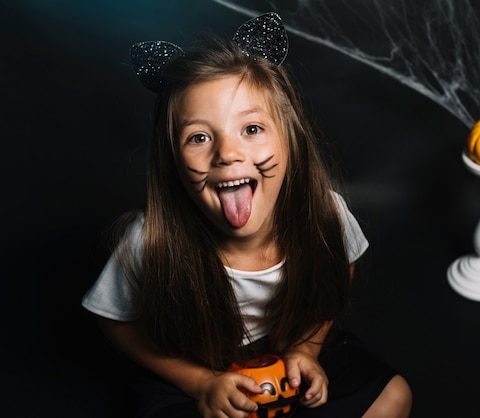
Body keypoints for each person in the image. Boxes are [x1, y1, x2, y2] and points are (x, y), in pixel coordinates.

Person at [82, 12, 412, 418]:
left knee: (393, 397)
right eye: (199, 137)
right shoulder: (149, 241)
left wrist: (306, 348)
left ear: (288, 137)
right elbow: (113, 320)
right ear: (173, 161)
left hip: (289, 344)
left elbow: (341, 263)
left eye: (251, 129)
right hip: (198, 362)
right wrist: (199, 382)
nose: (227, 153)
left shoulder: (324, 213)